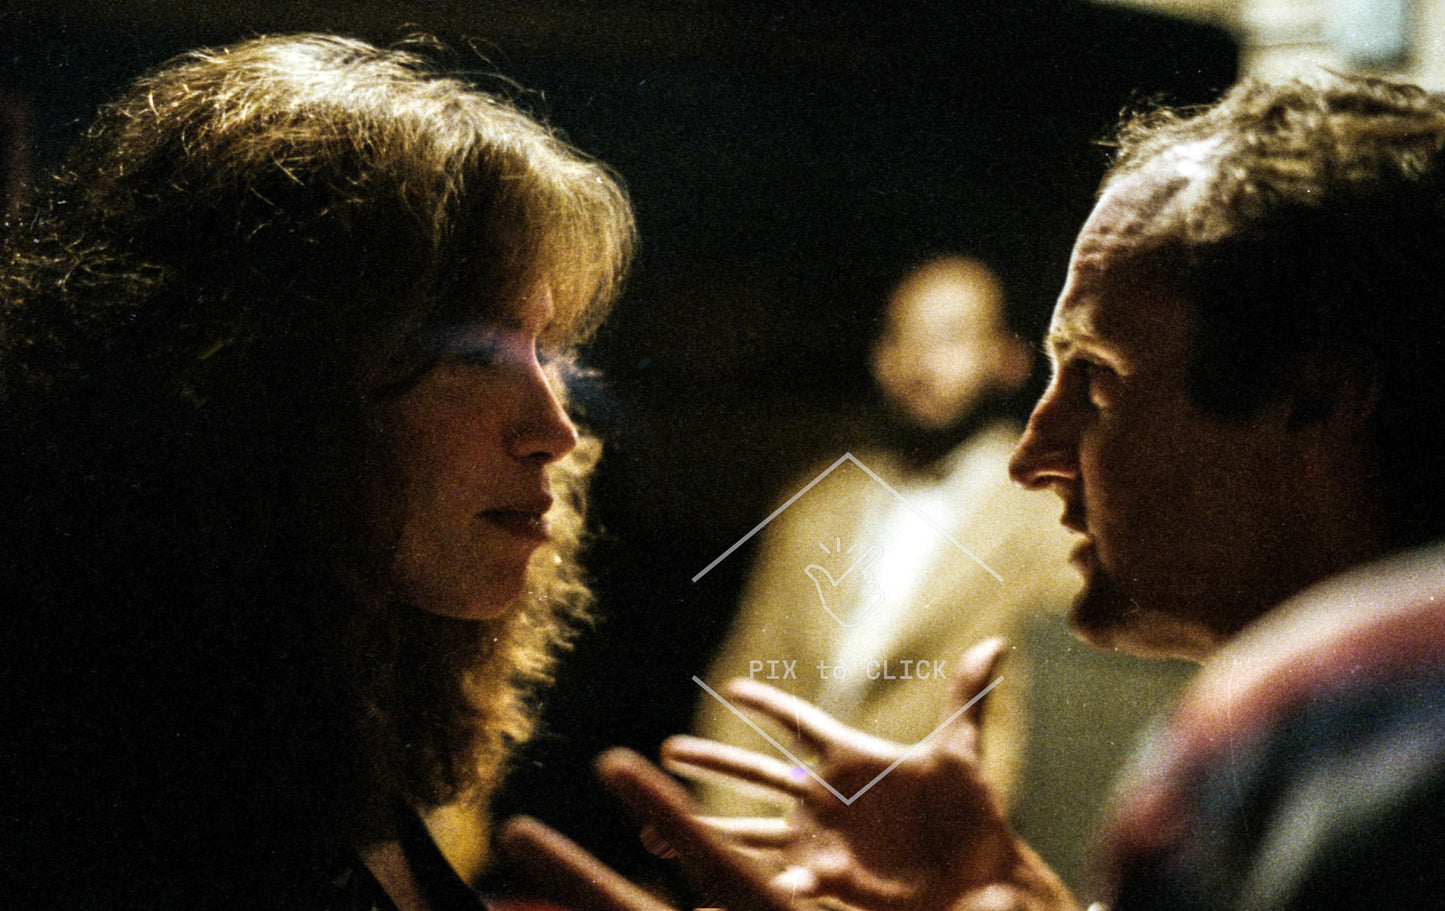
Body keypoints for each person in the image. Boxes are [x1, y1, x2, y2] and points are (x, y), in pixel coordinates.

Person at [496, 71, 1445, 911]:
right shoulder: (822, 503)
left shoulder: (1352, 761)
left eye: (1099, 384)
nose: (1035, 455)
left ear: (1313, 401)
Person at [0, 34, 633, 911]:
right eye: (473, 351)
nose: (556, 430)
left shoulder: (319, 739)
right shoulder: (109, 790)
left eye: (548, 350)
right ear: (257, 382)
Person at [693, 256, 1183, 886]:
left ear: (1005, 357)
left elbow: (1058, 716)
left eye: (951, 338)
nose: (923, 362)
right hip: (770, 855)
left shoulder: (1054, 512)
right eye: (905, 337)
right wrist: (735, 853)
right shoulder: (816, 503)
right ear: (880, 356)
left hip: (931, 867)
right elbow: (744, 683)